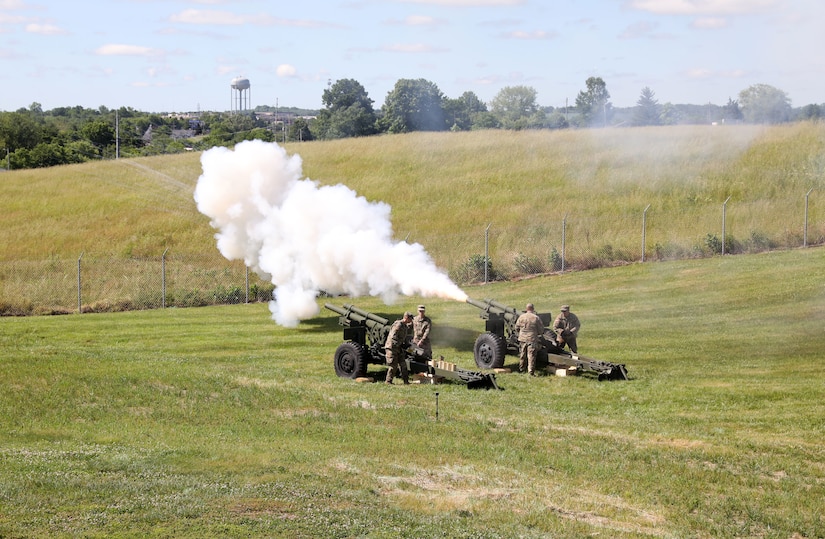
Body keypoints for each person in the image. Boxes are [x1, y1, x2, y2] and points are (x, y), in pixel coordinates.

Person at [514, 303, 544, 376]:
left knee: (522, 354)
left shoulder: (521, 317)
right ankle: (531, 372)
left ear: (526, 309)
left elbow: (516, 327)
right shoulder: (536, 318)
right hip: (532, 339)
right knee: (531, 356)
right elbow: (541, 330)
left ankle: (521, 369)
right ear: (533, 309)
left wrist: (521, 333)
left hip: (522, 339)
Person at [384, 311, 413, 385]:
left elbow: (403, 337)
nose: (411, 321)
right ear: (406, 318)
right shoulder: (398, 325)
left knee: (403, 365)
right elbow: (393, 337)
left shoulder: (405, 326)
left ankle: (406, 381)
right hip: (392, 347)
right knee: (393, 365)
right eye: (410, 319)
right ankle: (388, 381)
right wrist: (400, 344)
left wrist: (407, 345)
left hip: (399, 348)